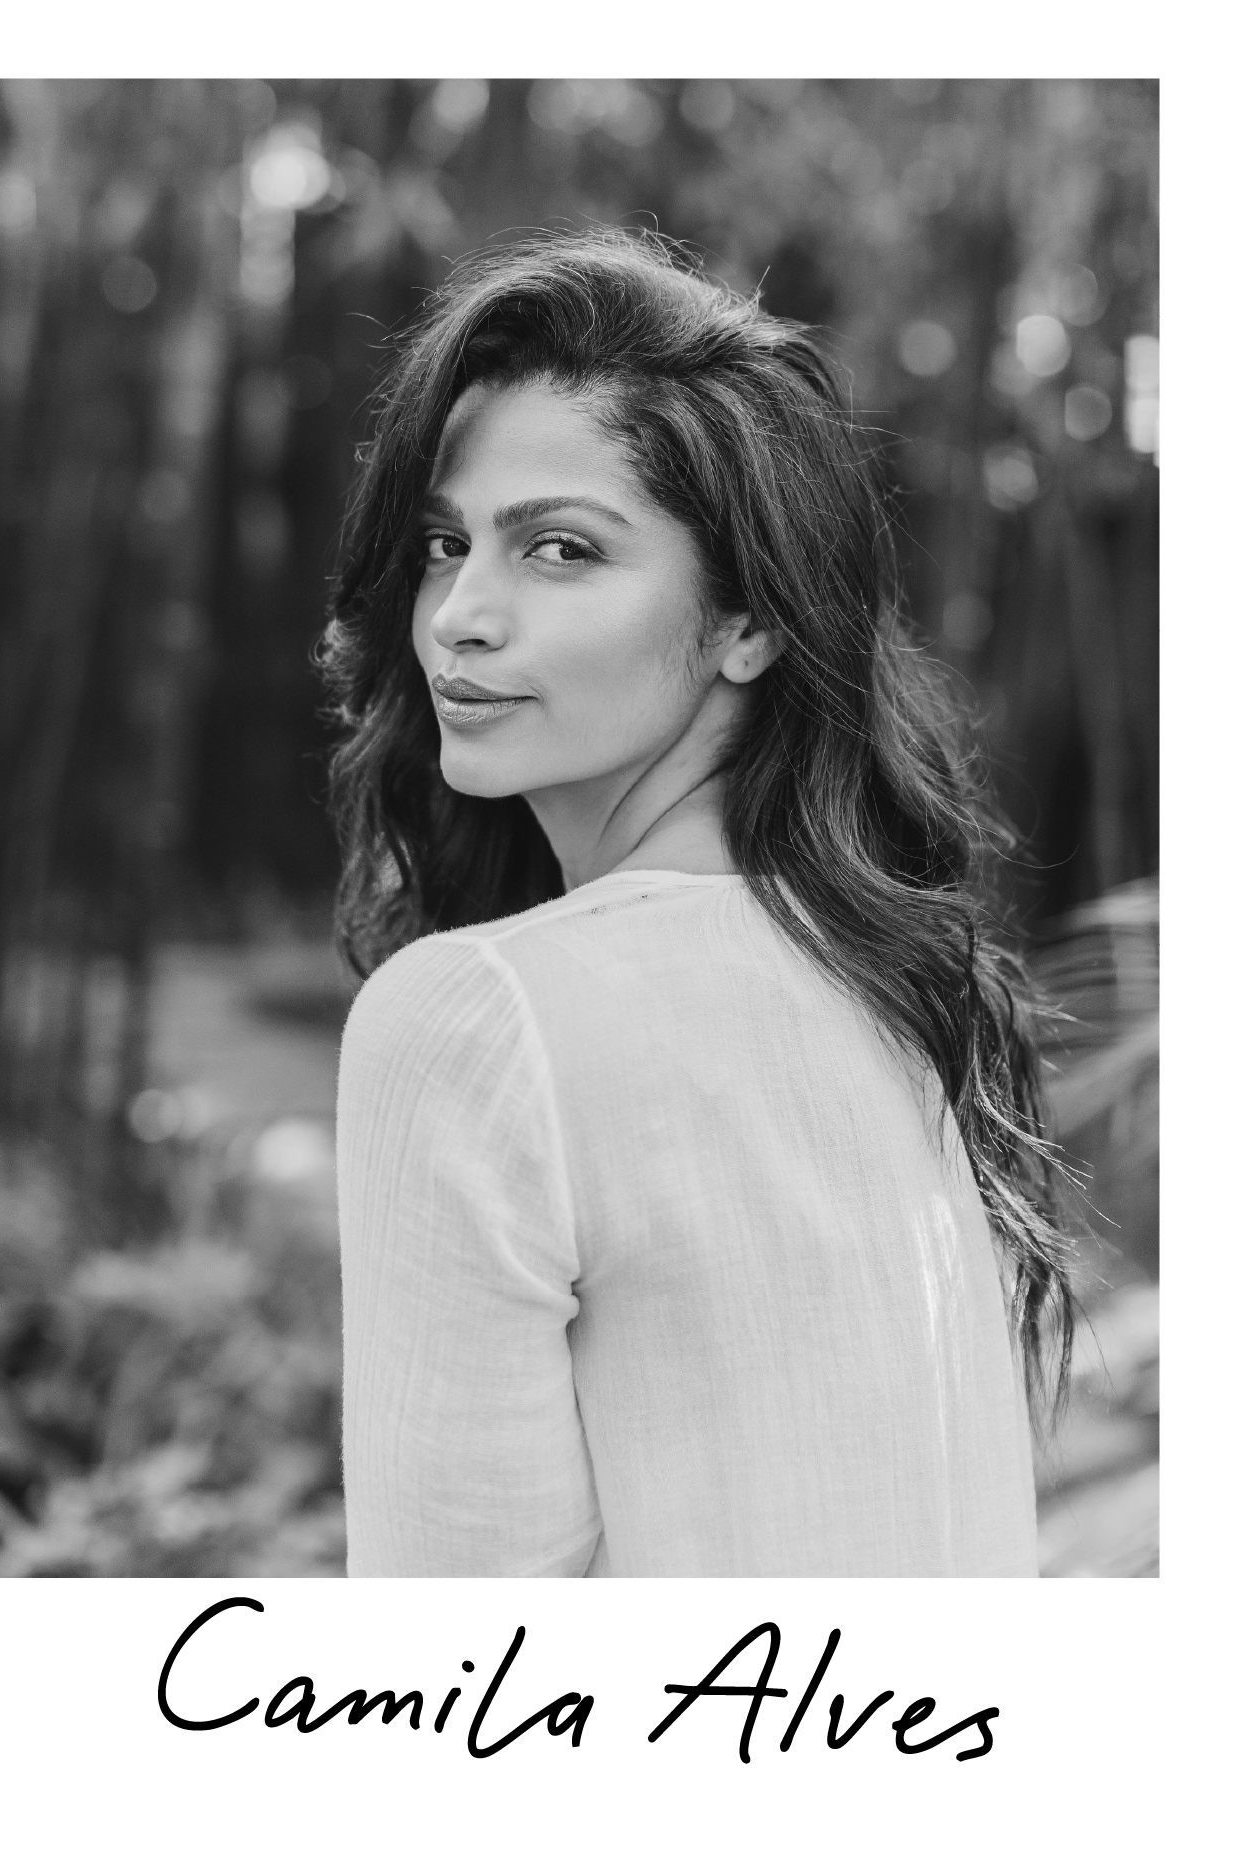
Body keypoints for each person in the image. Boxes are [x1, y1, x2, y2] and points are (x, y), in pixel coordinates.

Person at [322, 229, 1073, 1577]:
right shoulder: (893, 989)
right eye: (445, 543)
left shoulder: (479, 1026)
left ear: (747, 620)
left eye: (558, 549)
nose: (458, 619)